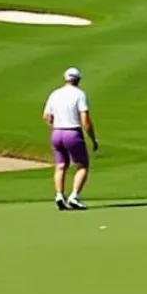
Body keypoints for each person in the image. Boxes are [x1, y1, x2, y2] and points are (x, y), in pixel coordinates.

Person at [42, 66, 98, 210]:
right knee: (82, 165)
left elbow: (46, 116)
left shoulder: (55, 93)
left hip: (56, 133)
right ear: (78, 80)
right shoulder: (79, 94)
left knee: (60, 166)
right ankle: (74, 196)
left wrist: (56, 123)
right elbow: (85, 120)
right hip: (72, 133)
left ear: (65, 79)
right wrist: (93, 139)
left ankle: (59, 195)